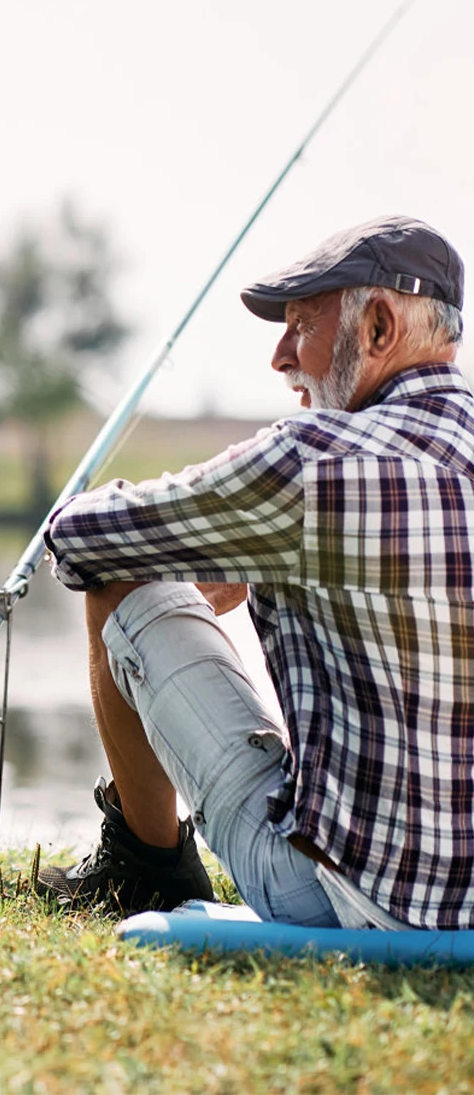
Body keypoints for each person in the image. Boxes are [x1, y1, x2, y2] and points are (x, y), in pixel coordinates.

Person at [34, 215, 473, 931]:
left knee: (126, 572)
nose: (280, 356)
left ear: (380, 328)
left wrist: (225, 554)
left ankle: (144, 868)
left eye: (300, 325)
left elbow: (85, 539)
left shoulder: (312, 460)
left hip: (347, 898)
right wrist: (263, 563)